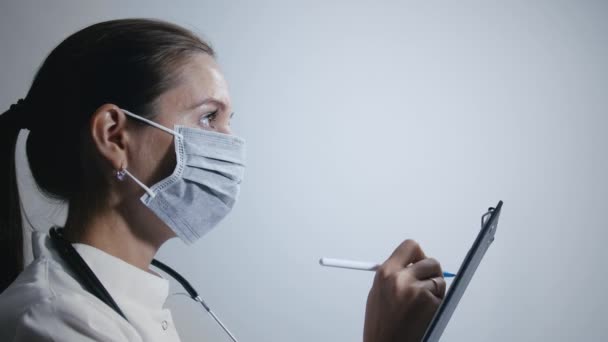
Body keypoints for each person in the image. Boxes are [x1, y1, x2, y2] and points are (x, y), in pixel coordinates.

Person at [0, 19, 446, 342]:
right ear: (115, 136)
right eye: (209, 117)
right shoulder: (53, 323)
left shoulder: (127, 301)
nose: (230, 145)